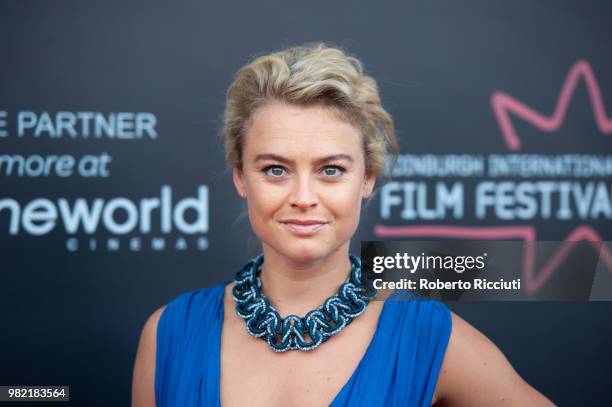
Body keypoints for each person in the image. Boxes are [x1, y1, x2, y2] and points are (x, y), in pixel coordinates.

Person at [132, 42, 554, 406]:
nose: (303, 197)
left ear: (367, 178)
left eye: (331, 170)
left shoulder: (427, 336)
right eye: (275, 170)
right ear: (241, 177)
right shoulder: (169, 333)